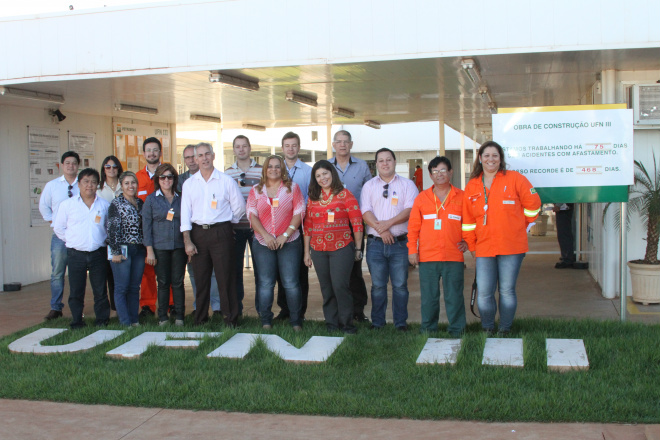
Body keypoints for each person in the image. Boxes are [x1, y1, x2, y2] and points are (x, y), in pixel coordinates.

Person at [462, 141, 541, 336]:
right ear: (480, 159)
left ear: (501, 159)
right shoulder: (472, 185)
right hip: (484, 248)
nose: (490, 159)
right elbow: (468, 221)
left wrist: (520, 226)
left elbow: (534, 205)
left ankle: (505, 329)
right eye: (486, 155)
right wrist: (472, 247)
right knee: (485, 292)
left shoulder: (515, 179)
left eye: (495, 155)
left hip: (512, 247)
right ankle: (488, 328)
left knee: (506, 291)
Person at [181, 142, 246, 327]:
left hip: (221, 233)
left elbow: (240, 208)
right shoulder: (189, 184)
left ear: (213, 155)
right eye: (200, 155)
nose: (204, 158)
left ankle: (230, 318)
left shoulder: (226, 181)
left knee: (225, 278)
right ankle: (200, 318)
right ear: (195, 159)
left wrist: (225, 223)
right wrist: (187, 240)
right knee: (201, 279)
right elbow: (185, 215)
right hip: (198, 234)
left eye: (207, 154)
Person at [408, 156, 468, 336]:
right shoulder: (422, 198)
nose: (439, 174)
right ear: (430, 175)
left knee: (454, 296)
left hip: (453, 255)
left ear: (451, 172)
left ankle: (457, 329)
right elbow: (413, 228)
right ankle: (428, 328)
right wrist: (412, 251)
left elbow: (469, 222)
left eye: (443, 170)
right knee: (429, 297)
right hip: (428, 257)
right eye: (435, 171)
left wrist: (467, 240)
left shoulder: (462, 196)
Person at [361, 148, 418, 331]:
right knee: (378, 286)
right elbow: (365, 211)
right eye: (381, 161)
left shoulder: (408, 185)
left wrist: (388, 224)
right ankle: (377, 322)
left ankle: (400, 323)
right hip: (376, 244)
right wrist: (382, 230)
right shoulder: (369, 186)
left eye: (388, 160)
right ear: (376, 164)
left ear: (394, 162)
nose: (385, 163)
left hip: (400, 243)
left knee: (400, 285)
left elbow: (410, 210)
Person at [304, 160, 363, 334]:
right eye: (318, 176)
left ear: (332, 173)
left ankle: (347, 324)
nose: (323, 178)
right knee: (326, 287)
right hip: (318, 249)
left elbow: (357, 222)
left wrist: (358, 249)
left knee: (340, 286)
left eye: (325, 173)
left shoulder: (345, 194)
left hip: (341, 247)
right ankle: (331, 323)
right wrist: (307, 252)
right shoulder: (313, 198)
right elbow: (308, 226)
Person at [247, 155, 305, 330]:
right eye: (270, 166)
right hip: (263, 243)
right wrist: (266, 235)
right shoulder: (256, 190)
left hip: (290, 242)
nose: (274, 169)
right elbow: (251, 214)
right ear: (265, 169)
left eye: (278, 167)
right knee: (265, 283)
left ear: (283, 169)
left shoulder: (292, 189)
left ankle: (296, 321)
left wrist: (285, 235)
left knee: (291, 282)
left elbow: (300, 212)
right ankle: (266, 321)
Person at [52, 168, 110, 328]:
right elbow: (58, 228)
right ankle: (77, 320)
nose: (89, 185)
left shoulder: (104, 205)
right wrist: (71, 240)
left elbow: (108, 228)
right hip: (75, 253)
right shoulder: (68, 205)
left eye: (93, 182)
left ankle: (102, 320)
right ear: (79, 184)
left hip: (98, 253)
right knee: (77, 290)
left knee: (100, 290)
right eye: (86, 182)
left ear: (98, 185)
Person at [329, 130, 372, 323]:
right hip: (333, 225)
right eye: (339, 141)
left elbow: (370, 193)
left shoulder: (362, 166)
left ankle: (358, 309)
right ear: (333, 144)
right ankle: (338, 310)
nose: (342, 145)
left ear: (351, 144)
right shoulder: (326, 167)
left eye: (346, 142)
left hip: (355, 225)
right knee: (336, 271)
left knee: (355, 268)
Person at [178, 144, 221, 316]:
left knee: (214, 273)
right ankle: (199, 308)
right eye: (188, 157)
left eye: (206, 154)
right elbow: (184, 211)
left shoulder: (219, 179)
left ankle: (217, 307)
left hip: (216, 231)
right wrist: (187, 239)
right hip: (193, 231)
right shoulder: (182, 181)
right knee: (195, 273)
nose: (193, 160)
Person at [274, 132, 312, 321]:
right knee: (282, 271)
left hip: (300, 225)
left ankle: (299, 311)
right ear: (282, 148)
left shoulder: (307, 171)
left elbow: (311, 198)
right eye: (287, 145)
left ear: (299, 147)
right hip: (278, 226)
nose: (291, 149)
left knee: (299, 272)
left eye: (294, 145)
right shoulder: (275, 170)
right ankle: (284, 309)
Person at [142, 164, 186, 326]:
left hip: (179, 246)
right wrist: (149, 250)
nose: (166, 180)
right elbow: (146, 226)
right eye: (163, 177)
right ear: (157, 179)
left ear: (174, 179)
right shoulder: (151, 199)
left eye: (170, 177)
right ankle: (163, 317)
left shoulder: (182, 198)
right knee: (163, 282)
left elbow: (187, 221)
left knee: (178, 282)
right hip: (159, 247)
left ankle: (180, 317)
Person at [39, 151, 81, 320]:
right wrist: (52, 223)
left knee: (77, 274)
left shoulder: (83, 184)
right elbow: (44, 207)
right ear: (62, 165)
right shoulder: (52, 186)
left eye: (74, 163)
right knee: (57, 272)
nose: (71, 166)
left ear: (78, 165)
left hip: (78, 236)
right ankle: (56, 307)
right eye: (67, 163)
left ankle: (77, 307)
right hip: (59, 237)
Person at [224, 135, 262, 314]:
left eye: (244, 146)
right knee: (236, 271)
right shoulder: (227, 173)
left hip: (257, 229)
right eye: (237, 146)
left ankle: (262, 311)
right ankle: (236, 311)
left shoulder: (262, 171)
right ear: (233, 150)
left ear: (249, 148)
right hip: (235, 229)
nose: (241, 149)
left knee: (261, 272)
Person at [107, 171, 146, 327]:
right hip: (122, 249)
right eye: (127, 183)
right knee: (121, 287)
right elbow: (111, 229)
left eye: (133, 183)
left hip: (139, 249)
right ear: (121, 186)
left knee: (134, 287)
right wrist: (115, 251)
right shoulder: (116, 204)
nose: (131, 186)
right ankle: (124, 321)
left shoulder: (141, 203)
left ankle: (134, 319)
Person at [135, 137, 168, 318]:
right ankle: (148, 305)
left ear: (160, 152)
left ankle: (171, 304)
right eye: (148, 150)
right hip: (145, 231)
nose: (152, 153)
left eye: (155, 150)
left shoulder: (168, 173)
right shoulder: (137, 177)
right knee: (147, 271)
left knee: (167, 269)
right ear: (144, 153)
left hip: (165, 230)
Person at [97, 155, 124, 312]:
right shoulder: (99, 189)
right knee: (106, 274)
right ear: (103, 169)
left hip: (123, 237)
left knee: (119, 275)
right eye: (108, 167)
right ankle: (109, 307)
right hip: (104, 237)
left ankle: (118, 306)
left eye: (114, 167)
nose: (111, 170)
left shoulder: (125, 185)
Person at [554, 203, 576, 268]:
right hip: (565, 206)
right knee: (564, 232)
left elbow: (562, 194)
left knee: (564, 233)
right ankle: (567, 256)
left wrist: (558, 205)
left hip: (564, 207)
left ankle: (567, 258)